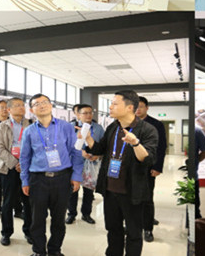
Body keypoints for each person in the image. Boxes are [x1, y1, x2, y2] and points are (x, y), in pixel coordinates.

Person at [79, 90, 157, 256]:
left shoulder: (147, 129)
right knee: (113, 230)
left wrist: (135, 143)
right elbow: (99, 149)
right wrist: (87, 138)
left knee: (134, 233)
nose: (110, 107)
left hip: (132, 192)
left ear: (129, 107)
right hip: (110, 190)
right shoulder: (113, 127)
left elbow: (147, 159)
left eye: (115, 103)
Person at [20, 93, 83, 256]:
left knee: (58, 219)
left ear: (51, 105)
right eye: (37, 104)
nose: (42, 105)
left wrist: (76, 176)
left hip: (62, 178)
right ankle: (38, 251)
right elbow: (24, 158)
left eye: (45, 102)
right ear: (31, 110)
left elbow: (76, 152)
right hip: (38, 180)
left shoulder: (66, 127)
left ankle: (55, 250)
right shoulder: (29, 131)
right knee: (37, 219)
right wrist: (25, 180)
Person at [0, 97, 32, 246]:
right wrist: (15, 163)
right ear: (9, 109)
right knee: (8, 202)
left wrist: (25, 164)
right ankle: (6, 233)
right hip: (8, 168)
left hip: (28, 168)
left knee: (28, 201)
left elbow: (37, 146)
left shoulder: (31, 124)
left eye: (22, 105)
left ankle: (28, 231)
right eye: (17, 105)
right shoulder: (1, 126)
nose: (21, 107)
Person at [134, 96, 167, 242]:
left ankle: (147, 229)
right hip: (130, 167)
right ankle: (132, 225)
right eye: (135, 107)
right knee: (130, 198)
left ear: (147, 108)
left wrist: (157, 166)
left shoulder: (156, 124)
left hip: (148, 167)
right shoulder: (128, 123)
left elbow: (161, 147)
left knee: (147, 198)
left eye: (141, 106)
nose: (138, 109)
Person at [66, 103, 104, 225]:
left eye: (90, 113)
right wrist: (80, 152)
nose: (88, 115)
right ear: (78, 115)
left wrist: (97, 155)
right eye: (85, 113)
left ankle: (86, 214)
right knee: (73, 189)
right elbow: (64, 145)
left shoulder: (98, 128)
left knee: (88, 191)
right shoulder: (70, 127)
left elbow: (103, 146)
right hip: (74, 163)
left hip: (91, 164)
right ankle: (71, 214)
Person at [194, 127, 205, 220]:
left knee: (195, 210)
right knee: (194, 210)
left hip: (193, 178)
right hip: (192, 177)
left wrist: (196, 161)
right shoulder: (197, 130)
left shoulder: (196, 131)